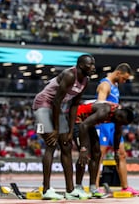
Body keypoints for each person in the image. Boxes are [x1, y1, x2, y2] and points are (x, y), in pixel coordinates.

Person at [32, 54, 96, 200]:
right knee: (51, 143)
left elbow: (74, 106)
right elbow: (55, 102)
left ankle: (70, 190)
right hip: (42, 105)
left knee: (66, 145)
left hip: (56, 108)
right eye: (89, 64)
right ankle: (46, 189)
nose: (93, 67)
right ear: (80, 65)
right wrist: (55, 129)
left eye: (93, 64)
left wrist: (70, 130)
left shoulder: (85, 80)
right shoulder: (69, 75)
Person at [95, 63, 139, 196]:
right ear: (118, 73)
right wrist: (115, 105)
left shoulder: (115, 85)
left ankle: (125, 187)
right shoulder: (105, 85)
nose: (125, 81)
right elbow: (99, 104)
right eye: (124, 79)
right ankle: (96, 187)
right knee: (99, 156)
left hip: (115, 124)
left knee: (121, 154)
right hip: (104, 124)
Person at [73, 100, 135, 198]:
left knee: (97, 153)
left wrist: (116, 151)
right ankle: (78, 187)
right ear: (119, 117)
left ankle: (93, 187)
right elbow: (83, 126)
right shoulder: (104, 111)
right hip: (77, 121)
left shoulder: (118, 116)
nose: (121, 125)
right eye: (121, 123)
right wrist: (83, 148)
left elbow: (117, 134)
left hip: (88, 123)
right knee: (85, 154)